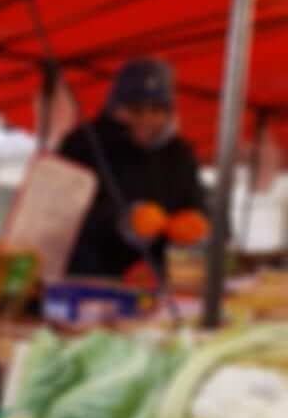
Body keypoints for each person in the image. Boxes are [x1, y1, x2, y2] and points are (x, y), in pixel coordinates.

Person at [59, 58, 209, 279]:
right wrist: (122, 220)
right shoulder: (83, 143)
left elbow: (196, 202)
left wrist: (195, 222)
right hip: (88, 274)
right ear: (114, 107)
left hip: (154, 278)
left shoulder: (180, 153)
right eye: (135, 109)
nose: (146, 119)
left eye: (157, 110)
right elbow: (61, 209)